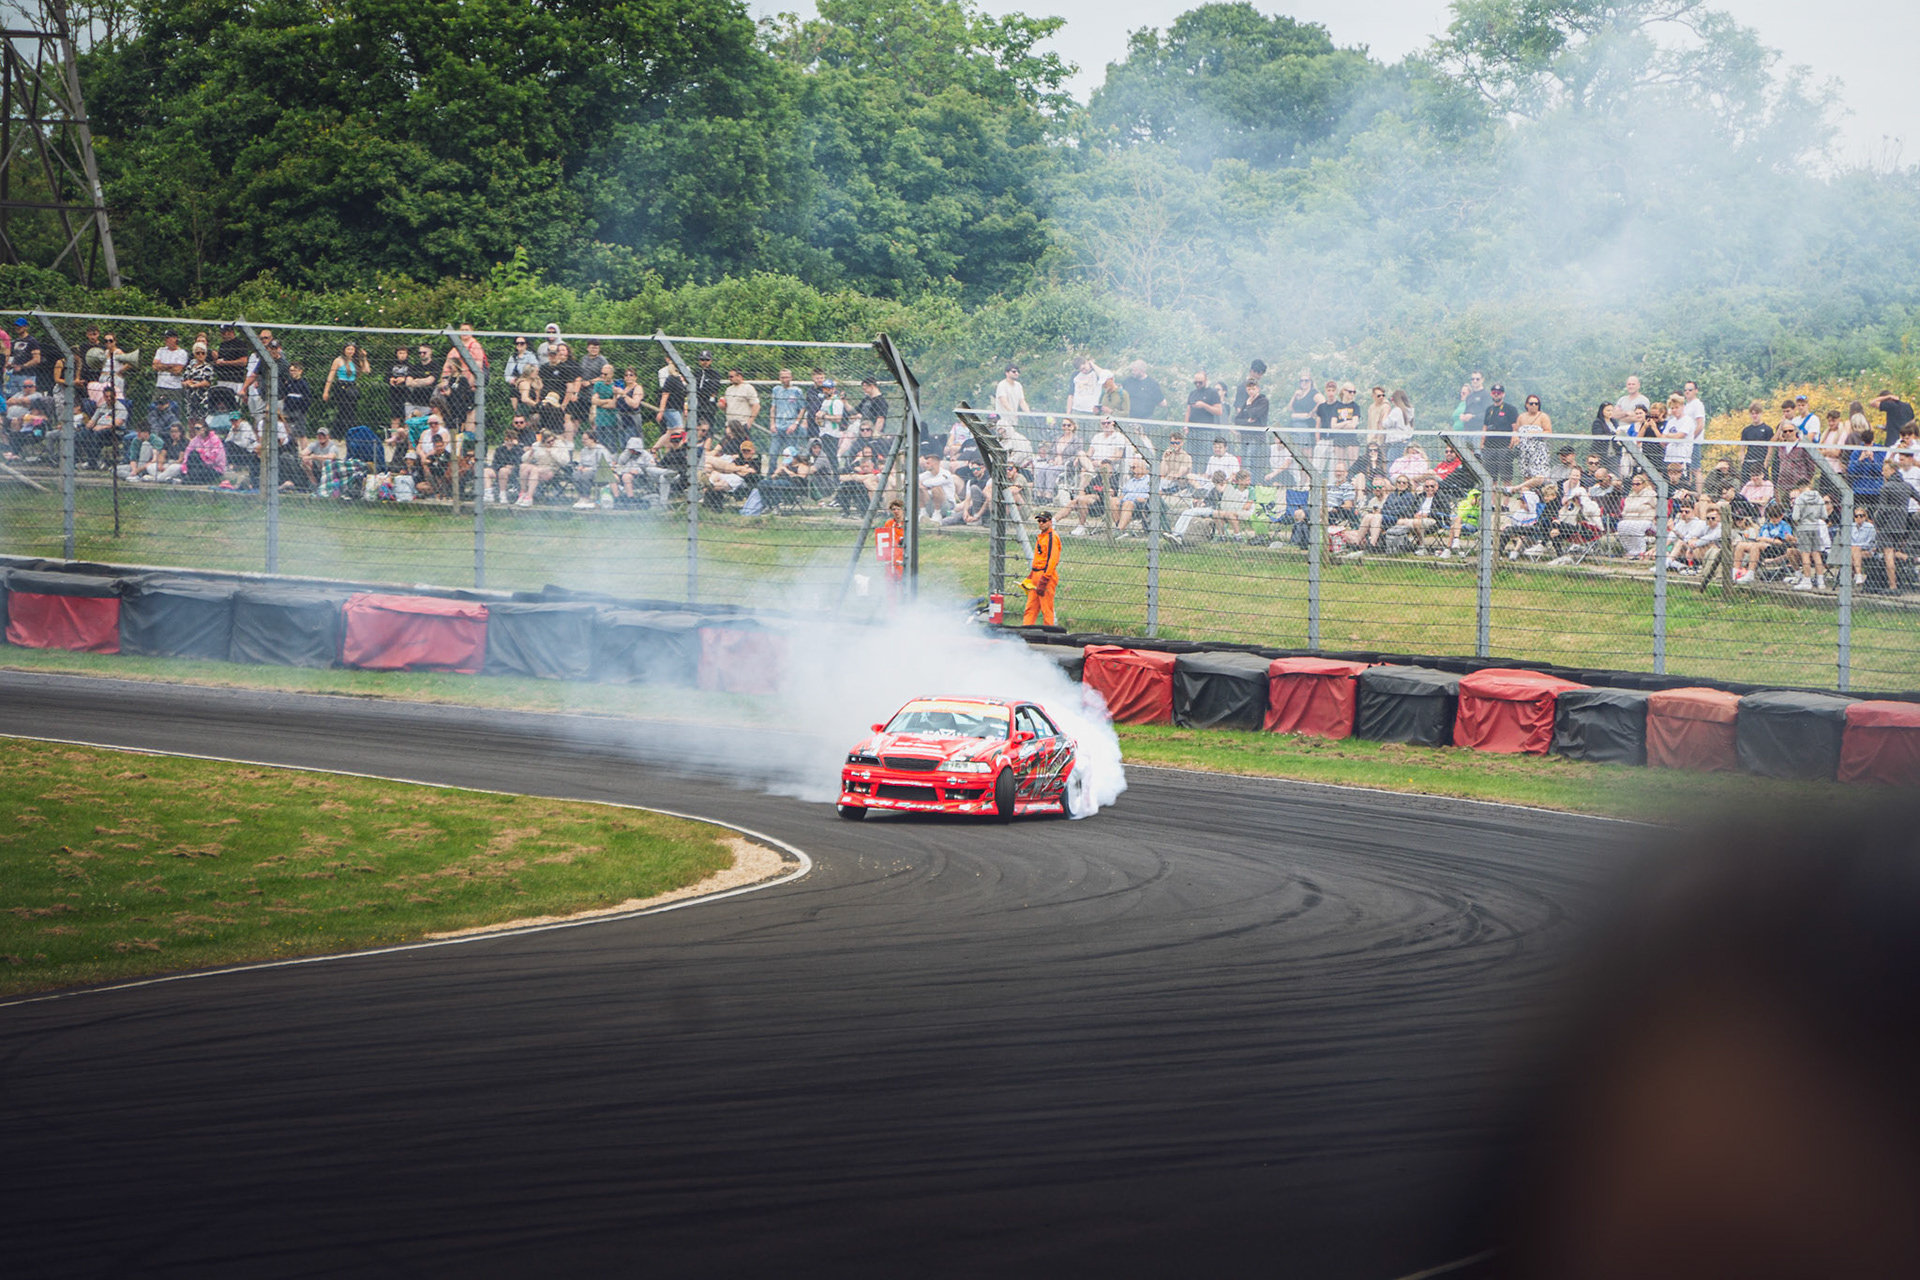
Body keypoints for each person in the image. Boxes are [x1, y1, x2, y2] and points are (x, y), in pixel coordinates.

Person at [1732, 501, 1794, 583]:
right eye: (1771, 517)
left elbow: (1782, 542)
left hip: (1775, 548)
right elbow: (1759, 537)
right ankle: (1735, 572)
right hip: (1762, 545)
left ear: (1781, 516)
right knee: (1740, 545)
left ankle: (1750, 573)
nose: (1774, 520)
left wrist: (1766, 539)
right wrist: (1760, 539)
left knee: (1755, 546)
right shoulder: (1766, 525)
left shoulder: (1784, 526)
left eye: (1776, 517)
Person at [1021, 510, 1060, 625]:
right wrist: (1031, 575)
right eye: (1039, 521)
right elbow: (1039, 558)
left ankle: (1049, 631)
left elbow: (1052, 560)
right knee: (1031, 607)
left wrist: (1044, 579)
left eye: (1044, 521)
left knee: (1046, 608)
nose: (1041, 523)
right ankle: (1027, 629)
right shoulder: (1042, 536)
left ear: (1050, 522)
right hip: (1036, 575)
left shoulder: (1052, 537)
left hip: (1046, 576)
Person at [321, 341, 370, 433]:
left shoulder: (355, 361)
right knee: (343, 410)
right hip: (341, 386)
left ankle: (348, 431)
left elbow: (367, 370)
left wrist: (364, 357)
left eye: (352, 349)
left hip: (352, 386)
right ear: (344, 350)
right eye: (348, 349)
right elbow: (331, 376)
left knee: (351, 411)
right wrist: (326, 391)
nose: (350, 351)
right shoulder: (338, 360)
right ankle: (337, 432)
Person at [1789, 478, 1828, 590]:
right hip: (1815, 527)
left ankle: (1807, 580)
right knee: (1816, 553)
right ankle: (1820, 581)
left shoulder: (1800, 499)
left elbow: (1795, 517)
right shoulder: (1819, 497)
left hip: (1804, 528)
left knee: (1805, 554)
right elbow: (1824, 515)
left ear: (1800, 488)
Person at [1482, 383, 1519, 485]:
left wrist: (1511, 444)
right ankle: (1492, 496)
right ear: (1491, 394)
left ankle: (1506, 495)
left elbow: (1515, 427)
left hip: (1504, 446)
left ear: (1503, 394)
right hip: (1489, 447)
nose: (1496, 394)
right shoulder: (1489, 409)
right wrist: (1482, 443)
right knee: (1491, 477)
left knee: (1506, 476)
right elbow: (1485, 427)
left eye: (1499, 393)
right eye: (1494, 392)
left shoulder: (1510, 409)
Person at [1514, 394, 1553, 479]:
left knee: (1539, 476)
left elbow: (1549, 432)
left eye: (1536, 403)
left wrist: (1536, 433)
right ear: (1527, 405)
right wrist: (1516, 439)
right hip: (1524, 451)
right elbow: (1516, 431)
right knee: (1526, 474)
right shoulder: (1521, 417)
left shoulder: (1543, 416)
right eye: (1531, 403)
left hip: (1538, 451)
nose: (1534, 405)